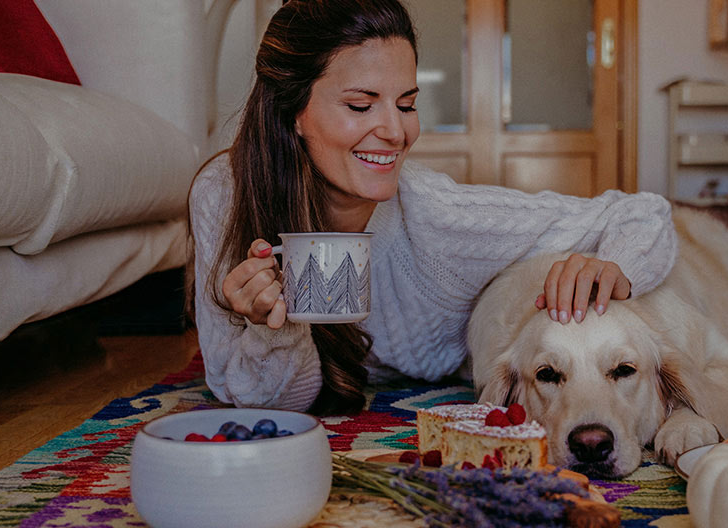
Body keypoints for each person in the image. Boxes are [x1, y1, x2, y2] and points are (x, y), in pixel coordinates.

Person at [189, 0, 677, 415]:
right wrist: (274, 327)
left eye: (405, 105)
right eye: (361, 106)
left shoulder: (440, 217)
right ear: (291, 111)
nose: (396, 132)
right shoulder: (224, 195)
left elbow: (642, 213)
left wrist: (615, 267)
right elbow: (256, 398)